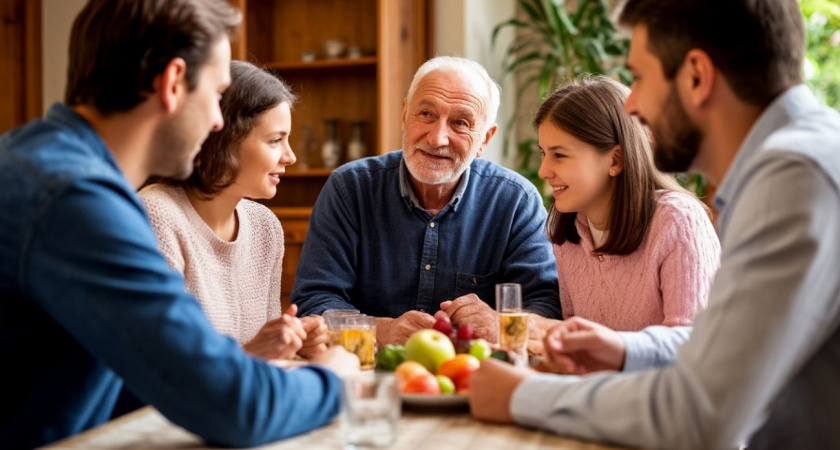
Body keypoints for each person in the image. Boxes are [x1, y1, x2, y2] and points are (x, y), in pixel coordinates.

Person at [468, 0, 840, 448]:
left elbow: (699, 413)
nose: (634, 105)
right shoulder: (802, 161)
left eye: (640, 77)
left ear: (697, 76)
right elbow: (713, 352)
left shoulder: (793, 178)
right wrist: (627, 350)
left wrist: (522, 396)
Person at [0, 1, 357, 448]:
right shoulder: (75, 200)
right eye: (215, 93)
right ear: (172, 83)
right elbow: (235, 406)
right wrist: (335, 379)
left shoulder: (39, 163)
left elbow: (150, 371)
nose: (216, 121)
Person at [292, 56, 562, 346]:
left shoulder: (516, 201)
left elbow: (546, 307)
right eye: (426, 114)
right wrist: (383, 332)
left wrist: (500, 325)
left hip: (477, 376)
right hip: (367, 371)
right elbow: (313, 302)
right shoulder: (349, 188)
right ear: (405, 114)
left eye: (460, 122)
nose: (437, 138)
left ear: (485, 138)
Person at [141, 60, 328, 360]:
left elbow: (268, 357)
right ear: (222, 140)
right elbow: (157, 364)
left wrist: (294, 346)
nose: (290, 156)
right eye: (275, 140)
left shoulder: (265, 226)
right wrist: (252, 353)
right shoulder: (157, 216)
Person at [535, 76, 720, 331]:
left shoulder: (678, 221)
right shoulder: (568, 236)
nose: (543, 171)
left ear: (615, 160)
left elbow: (691, 346)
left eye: (559, 155)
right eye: (543, 153)